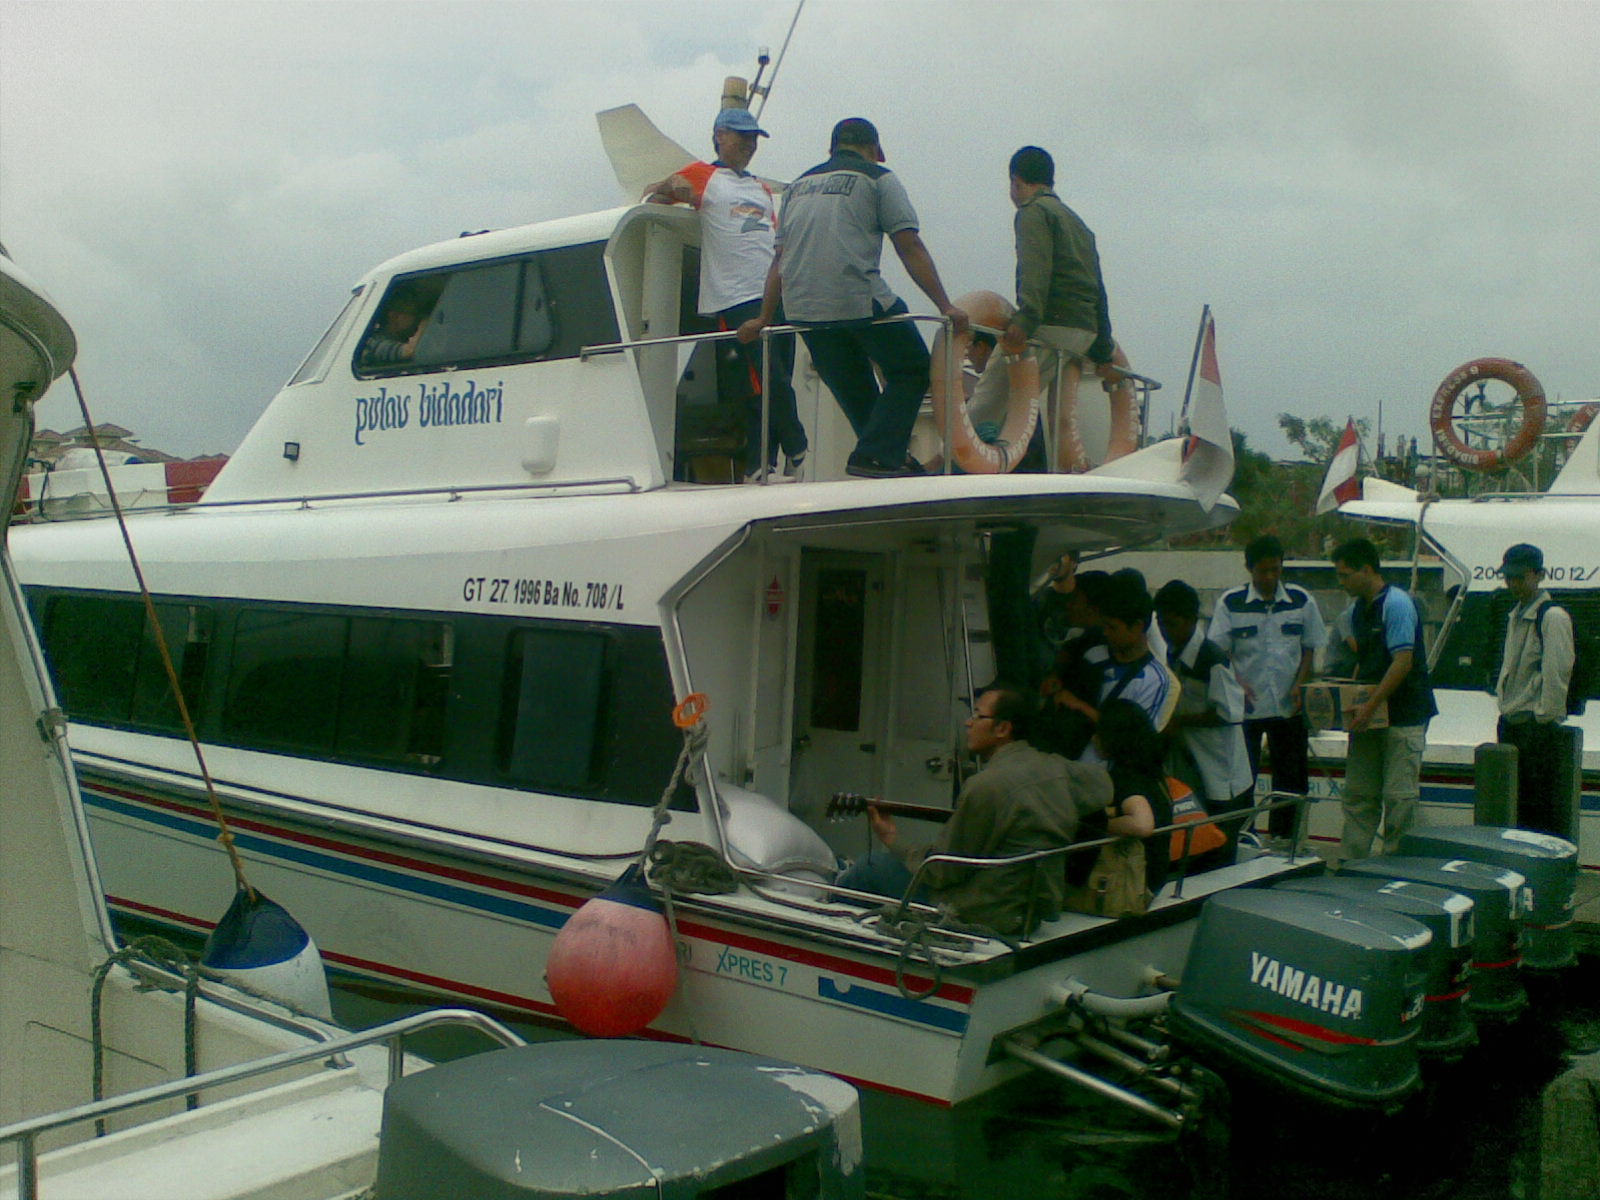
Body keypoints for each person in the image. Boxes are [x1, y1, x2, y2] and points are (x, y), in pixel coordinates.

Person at [738, 118, 969, 478]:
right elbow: (908, 245)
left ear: (831, 150)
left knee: (852, 381)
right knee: (912, 368)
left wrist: (765, 318)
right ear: (875, 150)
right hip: (855, 299)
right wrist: (945, 306)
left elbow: (780, 260)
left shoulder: (798, 187)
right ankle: (875, 454)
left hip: (802, 310)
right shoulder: (878, 178)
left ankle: (882, 456)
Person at [836, 683, 1111, 935]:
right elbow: (1104, 786)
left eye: (978, 715)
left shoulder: (986, 785)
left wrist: (891, 839)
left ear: (1003, 729)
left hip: (982, 911)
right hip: (1029, 910)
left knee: (869, 868)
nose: (968, 723)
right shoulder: (1059, 768)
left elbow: (942, 871)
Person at [643, 107, 807, 480]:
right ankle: (797, 446)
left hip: (773, 292)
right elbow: (651, 197)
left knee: (776, 378)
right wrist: (673, 188)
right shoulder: (703, 174)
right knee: (764, 380)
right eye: (741, 136)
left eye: (753, 139)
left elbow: (775, 242)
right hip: (735, 295)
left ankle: (763, 462)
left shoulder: (762, 188)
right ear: (719, 135)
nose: (749, 145)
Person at [992, 146, 1116, 449]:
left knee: (989, 396)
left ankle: (940, 465)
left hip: (1051, 326)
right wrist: (1103, 348)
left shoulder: (1033, 213)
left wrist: (1026, 318)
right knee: (1034, 403)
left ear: (1016, 181)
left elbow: (1036, 269)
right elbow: (1098, 288)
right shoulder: (1079, 225)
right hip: (1083, 333)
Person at [1208, 534, 1327, 843]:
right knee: (1241, 780)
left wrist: (1301, 684)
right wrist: (1237, 682)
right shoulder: (1231, 603)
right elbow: (1218, 652)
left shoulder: (1301, 600)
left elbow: (1310, 647)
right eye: (1264, 571)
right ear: (1249, 569)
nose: (1271, 577)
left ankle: (1283, 842)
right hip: (1245, 709)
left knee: (1290, 780)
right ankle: (1242, 840)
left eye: (1276, 570)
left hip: (1288, 706)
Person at [1332, 537, 1437, 859]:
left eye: (1346, 575)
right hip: (1369, 714)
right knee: (1359, 793)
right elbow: (1361, 661)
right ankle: (1352, 860)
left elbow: (1402, 661)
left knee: (1399, 796)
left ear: (1366, 569)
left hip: (1403, 714)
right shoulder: (1356, 611)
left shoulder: (1398, 603)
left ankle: (1396, 862)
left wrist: (1370, 705)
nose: (1342, 582)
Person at [1154, 580, 1254, 862]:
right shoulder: (1172, 655)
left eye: (1170, 624)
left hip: (1223, 776)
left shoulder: (1211, 658)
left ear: (1191, 620)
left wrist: (1180, 721)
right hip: (1193, 769)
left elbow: (1230, 713)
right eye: (1160, 623)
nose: (1164, 631)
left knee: (1220, 853)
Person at [1053, 574, 1179, 763]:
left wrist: (1080, 707)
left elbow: (1134, 741)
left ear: (1137, 627)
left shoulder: (1156, 680)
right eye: (1104, 626)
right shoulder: (1093, 656)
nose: (1105, 633)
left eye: (1112, 628)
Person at [1494, 543, 1575, 835]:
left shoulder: (1552, 617)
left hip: (1535, 727)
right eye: (1509, 577)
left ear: (1539, 575)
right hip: (1512, 721)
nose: (1513, 584)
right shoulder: (1515, 614)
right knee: (1515, 806)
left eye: (1519, 577)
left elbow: (1558, 673)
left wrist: (1543, 718)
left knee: (1537, 809)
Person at [1067, 698, 1175, 913]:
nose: (1094, 738)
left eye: (1099, 732)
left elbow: (1142, 824)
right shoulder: (1153, 775)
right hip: (1155, 880)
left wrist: (1097, 827)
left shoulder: (1124, 778)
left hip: (1130, 886)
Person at [362, 293, 427, 365]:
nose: (417, 319)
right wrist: (425, 324)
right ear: (394, 316)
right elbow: (410, 351)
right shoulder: (375, 343)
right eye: (413, 314)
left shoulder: (400, 338)